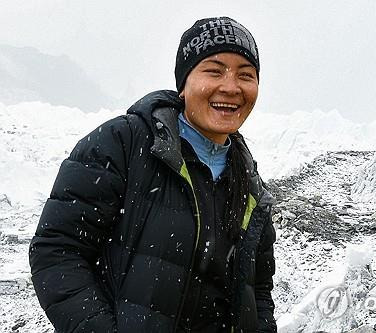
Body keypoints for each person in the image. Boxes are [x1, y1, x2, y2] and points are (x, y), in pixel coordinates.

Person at [29, 17, 276, 333]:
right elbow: (57, 251)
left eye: (246, 75)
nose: (230, 87)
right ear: (184, 84)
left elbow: (258, 291)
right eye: (214, 71)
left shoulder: (251, 186)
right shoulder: (123, 144)